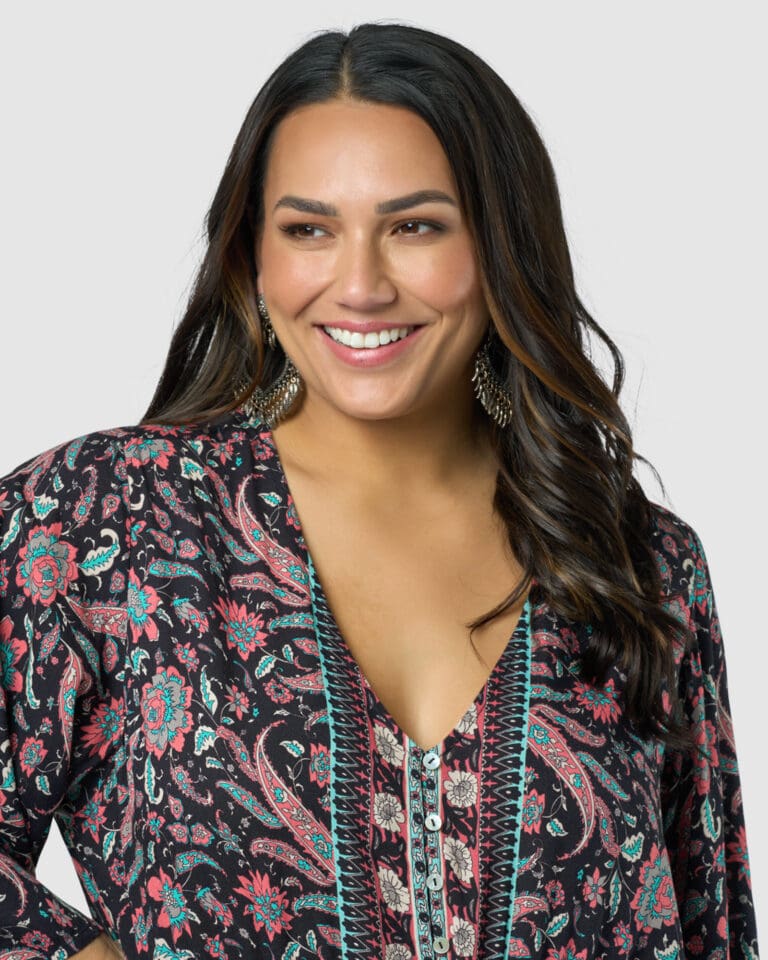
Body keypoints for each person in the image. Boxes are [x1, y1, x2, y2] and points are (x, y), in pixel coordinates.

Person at [0, 21, 759, 960]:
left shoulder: (638, 562)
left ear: (499, 249)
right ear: (254, 259)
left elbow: (712, 924)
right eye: (309, 230)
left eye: (415, 227)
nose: (358, 283)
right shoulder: (103, 521)